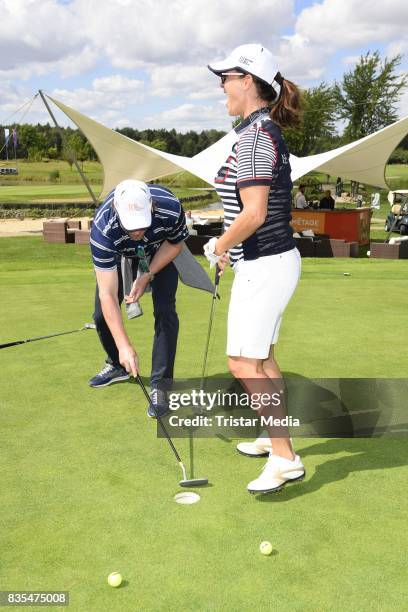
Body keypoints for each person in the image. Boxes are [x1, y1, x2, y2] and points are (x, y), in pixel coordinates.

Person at [204, 43, 305, 494]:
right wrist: (230, 246)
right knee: (262, 358)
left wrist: (218, 245)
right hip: (268, 261)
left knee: (242, 361)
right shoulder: (257, 131)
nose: (221, 86)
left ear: (247, 81)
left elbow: (254, 213)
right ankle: (273, 438)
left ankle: (285, 459)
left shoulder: (255, 136)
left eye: (225, 77)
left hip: (265, 263)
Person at [89, 179, 189, 417]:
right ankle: (116, 364)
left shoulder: (170, 207)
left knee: (165, 311)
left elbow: (175, 244)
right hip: (122, 254)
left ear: (152, 207)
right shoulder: (103, 228)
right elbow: (108, 294)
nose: (136, 231)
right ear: (116, 210)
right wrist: (124, 347)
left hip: (161, 251)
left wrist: (146, 275)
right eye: (130, 226)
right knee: (101, 315)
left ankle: (161, 386)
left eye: (141, 225)